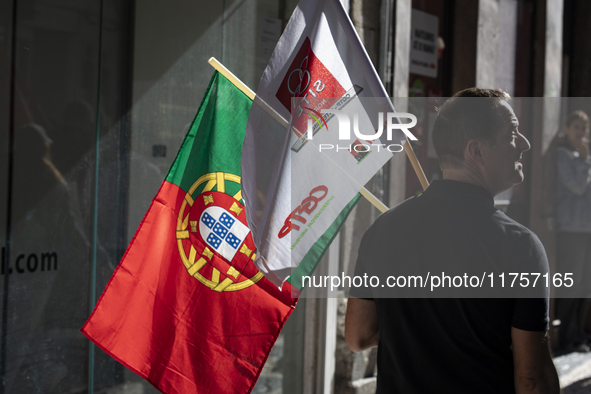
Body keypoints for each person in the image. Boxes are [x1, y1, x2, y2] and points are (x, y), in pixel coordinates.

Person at [345, 88, 559, 393]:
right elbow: (532, 380)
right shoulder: (520, 246)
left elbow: (358, 336)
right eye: (512, 133)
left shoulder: (383, 229)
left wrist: (416, 329)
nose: (524, 144)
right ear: (478, 151)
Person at [555, 110, 591, 352]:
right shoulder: (563, 155)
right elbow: (577, 187)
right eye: (577, 127)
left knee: (585, 284)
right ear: (566, 129)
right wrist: (586, 159)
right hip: (571, 228)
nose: (581, 133)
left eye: (584, 128)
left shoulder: (583, 157)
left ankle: (580, 335)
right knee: (572, 283)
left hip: (587, 228)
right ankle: (567, 337)